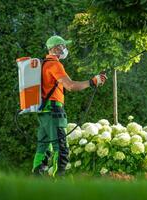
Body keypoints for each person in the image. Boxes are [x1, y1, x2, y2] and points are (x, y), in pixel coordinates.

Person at [32, 35, 107, 176]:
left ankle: (37, 180)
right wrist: (92, 82)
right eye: (63, 46)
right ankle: (58, 183)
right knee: (61, 148)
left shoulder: (43, 64)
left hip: (44, 112)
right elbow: (71, 86)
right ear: (55, 48)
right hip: (54, 111)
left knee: (43, 147)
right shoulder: (54, 64)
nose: (65, 49)